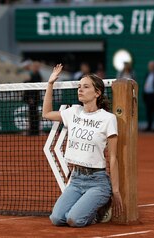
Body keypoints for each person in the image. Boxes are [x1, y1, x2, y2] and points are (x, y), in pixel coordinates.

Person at [43, 64, 123, 227]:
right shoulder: (73, 112)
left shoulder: (108, 119)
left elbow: (113, 158)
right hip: (76, 179)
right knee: (57, 219)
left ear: (97, 93)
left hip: (97, 181)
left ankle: (99, 211)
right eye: (79, 87)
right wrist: (50, 83)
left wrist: (115, 191)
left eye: (86, 87)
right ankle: (84, 207)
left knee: (74, 220)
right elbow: (46, 113)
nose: (80, 89)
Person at [23, 61, 42, 136]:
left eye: (36, 66)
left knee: (35, 115)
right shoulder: (31, 74)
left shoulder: (37, 75)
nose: (34, 67)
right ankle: (32, 130)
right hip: (31, 98)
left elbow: (34, 88)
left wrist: (32, 98)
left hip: (34, 99)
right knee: (32, 115)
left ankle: (35, 131)